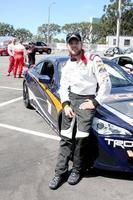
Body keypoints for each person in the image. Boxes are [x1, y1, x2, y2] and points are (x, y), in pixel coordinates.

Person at [49, 32, 111, 190]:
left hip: (87, 100)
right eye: (71, 43)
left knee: (82, 139)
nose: (74, 45)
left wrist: (95, 102)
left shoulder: (93, 59)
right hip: (71, 101)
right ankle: (60, 172)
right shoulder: (67, 64)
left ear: (81, 44)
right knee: (65, 138)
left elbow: (106, 82)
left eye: (76, 42)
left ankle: (77, 170)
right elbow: (63, 87)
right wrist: (66, 104)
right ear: (68, 45)